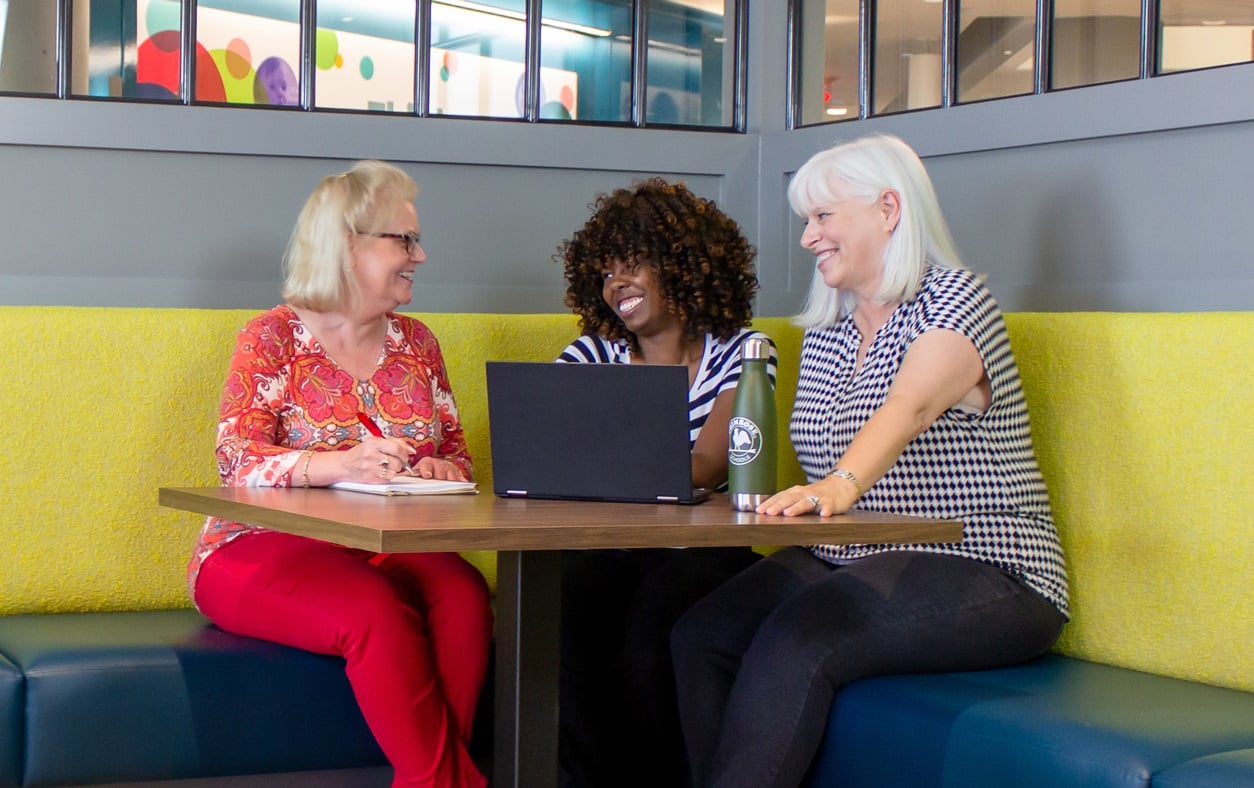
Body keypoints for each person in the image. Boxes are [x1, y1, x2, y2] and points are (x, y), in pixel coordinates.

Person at [670, 134, 1069, 788]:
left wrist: (838, 484)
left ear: (888, 209)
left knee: (796, 642)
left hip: (987, 563)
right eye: (807, 221)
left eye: (823, 217)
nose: (808, 237)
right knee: (702, 632)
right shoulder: (828, 331)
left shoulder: (954, 301)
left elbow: (909, 405)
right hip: (856, 552)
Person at [187, 161, 492, 788]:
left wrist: (438, 467)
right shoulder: (272, 337)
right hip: (254, 548)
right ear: (346, 245)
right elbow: (236, 459)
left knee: (463, 595)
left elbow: (459, 456)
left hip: (382, 545)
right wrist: (339, 463)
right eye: (403, 240)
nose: (421, 255)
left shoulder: (418, 344)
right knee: (374, 611)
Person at [555, 177, 777, 788]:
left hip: (705, 552)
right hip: (611, 547)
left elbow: (708, 465)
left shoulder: (745, 352)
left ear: (682, 266)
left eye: (633, 264)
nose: (616, 283)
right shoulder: (591, 356)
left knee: (654, 624)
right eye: (606, 272)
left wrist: (606, 463)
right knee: (561, 610)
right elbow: (550, 454)